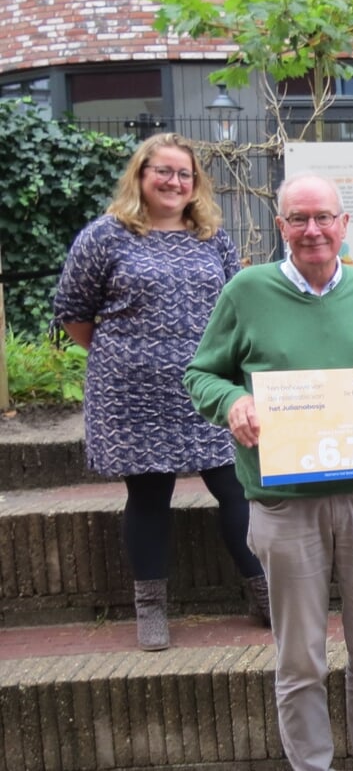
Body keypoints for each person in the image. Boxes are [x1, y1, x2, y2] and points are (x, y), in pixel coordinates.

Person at [184, 173, 353, 771]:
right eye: (297, 218)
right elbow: (201, 374)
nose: (311, 230)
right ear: (281, 226)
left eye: (322, 217)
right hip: (282, 503)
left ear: (344, 224)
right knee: (300, 659)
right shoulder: (246, 291)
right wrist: (231, 403)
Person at [52, 132, 267, 652]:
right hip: (132, 393)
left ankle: (264, 592)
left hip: (209, 389)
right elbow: (75, 313)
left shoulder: (212, 237)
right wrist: (128, 355)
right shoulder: (105, 236)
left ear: (196, 185)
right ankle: (150, 609)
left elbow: (232, 310)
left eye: (184, 174)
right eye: (163, 171)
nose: (174, 182)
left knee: (235, 487)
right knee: (148, 496)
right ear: (140, 176)